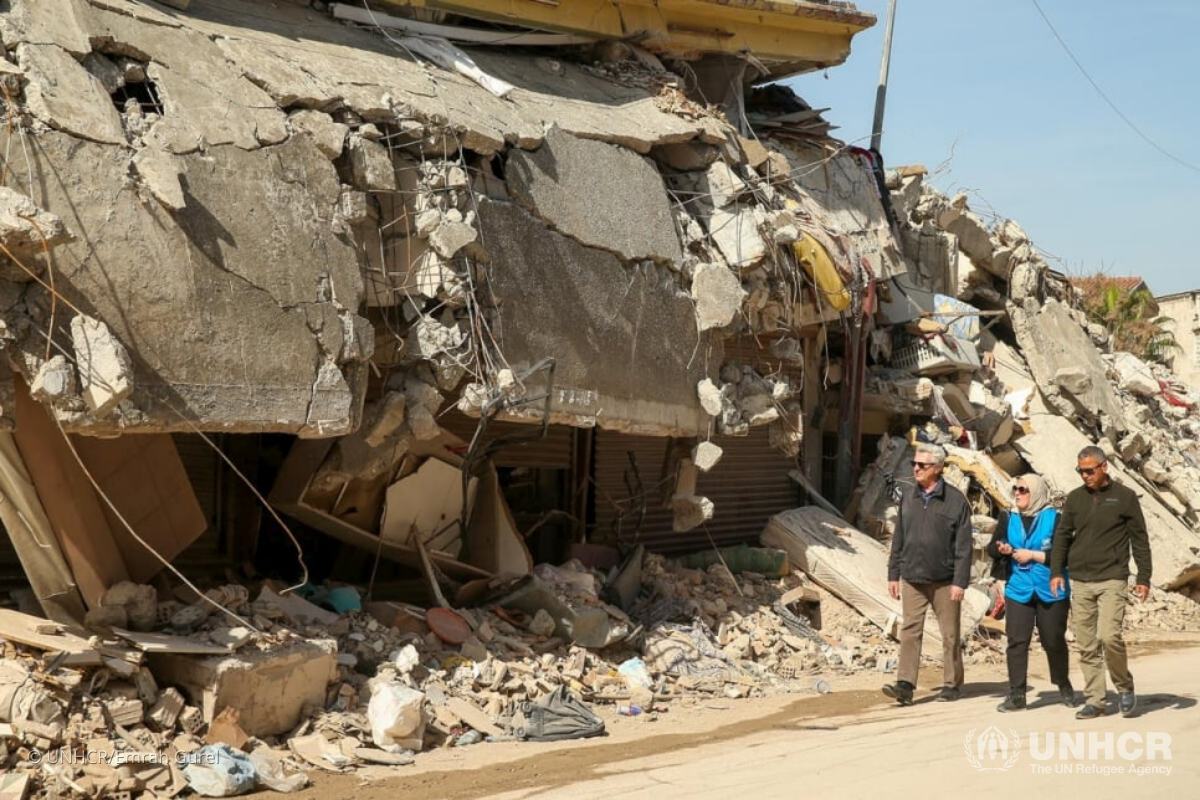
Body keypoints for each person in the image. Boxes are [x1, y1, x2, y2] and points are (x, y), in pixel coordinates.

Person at [1050, 445, 1152, 720]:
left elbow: (1140, 540)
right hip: (1080, 580)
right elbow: (1062, 537)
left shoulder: (1125, 497)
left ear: (1104, 467)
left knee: (1108, 636)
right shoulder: (1074, 499)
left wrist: (1143, 577)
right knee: (1086, 643)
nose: (1085, 476)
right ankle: (1095, 700)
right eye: (1080, 471)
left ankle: (1124, 686)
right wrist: (1057, 571)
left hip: (1112, 578)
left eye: (1089, 470)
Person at [882, 443, 973, 705]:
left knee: (950, 634)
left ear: (938, 468)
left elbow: (964, 546)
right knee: (910, 630)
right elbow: (899, 536)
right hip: (912, 576)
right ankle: (905, 685)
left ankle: (951, 684)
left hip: (945, 580)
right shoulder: (909, 497)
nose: (916, 469)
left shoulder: (955, 501)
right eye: (914, 464)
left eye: (922, 465)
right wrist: (893, 573)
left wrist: (960, 582)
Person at [987, 473, 1078, 711]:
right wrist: (1003, 549)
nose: (1017, 493)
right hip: (1019, 588)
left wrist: (1034, 555)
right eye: (1015, 489)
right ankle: (1017, 693)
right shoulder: (1008, 517)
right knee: (1017, 640)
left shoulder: (1055, 518)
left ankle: (1063, 682)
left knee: (1053, 640)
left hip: (1051, 588)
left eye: (1023, 490)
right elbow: (992, 548)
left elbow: (1066, 555)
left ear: (1036, 493)